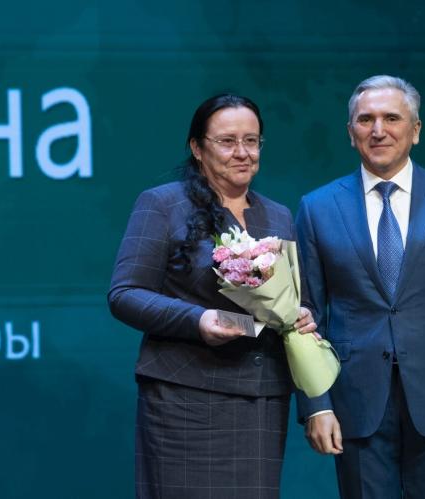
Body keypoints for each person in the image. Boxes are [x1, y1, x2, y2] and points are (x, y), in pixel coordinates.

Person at [296, 75, 425, 498]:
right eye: (365, 120)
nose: (378, 130)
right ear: (350, 132)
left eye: (392, 118)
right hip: (354, 400)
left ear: (416, 130)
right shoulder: (317, 207)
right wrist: (316, 405)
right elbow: (305, 315)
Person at [108, 94, 316, 499]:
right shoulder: (162, 204)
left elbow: (294, 300)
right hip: (186, 399)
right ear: (197, 148)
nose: (242, 152)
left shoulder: (277, 215)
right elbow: (125, 293)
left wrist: (302, 315)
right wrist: (197, 320)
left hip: (262, 399)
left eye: (252, 141)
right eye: (227, 141)